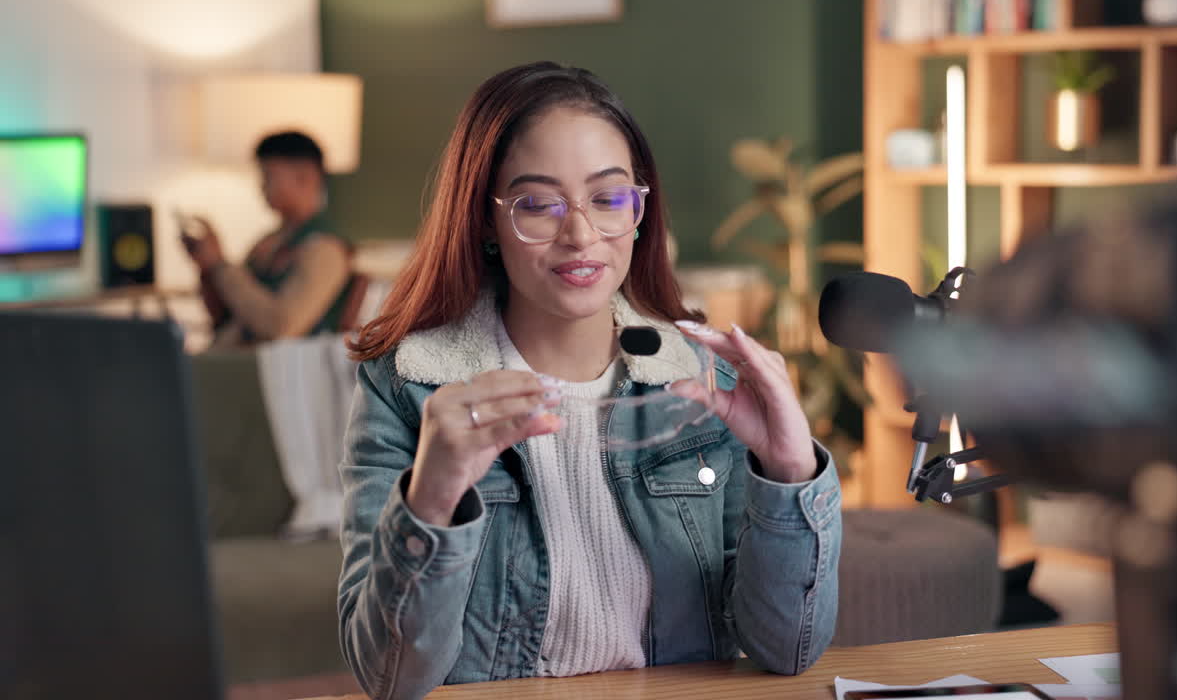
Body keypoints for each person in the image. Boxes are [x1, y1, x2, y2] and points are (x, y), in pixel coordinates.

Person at [338, 62, 842, 699]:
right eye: (539, 206)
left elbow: (786, 650)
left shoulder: (701, 382)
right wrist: (432, 498)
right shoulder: (407, 387)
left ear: (639, 210)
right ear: (487, 221)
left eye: (607, 199)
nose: (581, 236)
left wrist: (791, 470)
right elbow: (389, 678)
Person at [180, 130, 357, 348]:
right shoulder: (267, 243)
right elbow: (229, 314)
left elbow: (280, 327)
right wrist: (207, 267)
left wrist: (219, 265)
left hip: (271, 374)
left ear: (305, 175)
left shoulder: (325, 250)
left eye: (268, 176)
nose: (261, 186)